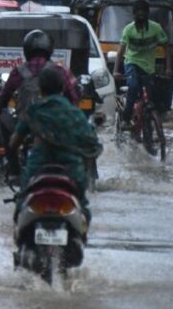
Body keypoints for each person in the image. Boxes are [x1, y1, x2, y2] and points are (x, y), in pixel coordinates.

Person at [9, 66, 103, 226]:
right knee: (83, 208)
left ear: (40, 88)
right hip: (72, 169)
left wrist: (15, 170)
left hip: (38, 168)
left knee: (21, 204)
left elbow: (13, 143)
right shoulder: (75, 114)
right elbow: (92, 146)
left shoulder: (34, 111)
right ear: (62, 88)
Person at [0, 29, 80, 177]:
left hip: (26, 123)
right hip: (56, 124)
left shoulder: (19, 71)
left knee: (3, 119)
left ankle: (13, 168)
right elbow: (74, 97)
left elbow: (5, 95)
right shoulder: (61, 70)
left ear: (26, 50)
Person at [113, 0, 171, 129]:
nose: (140, 16)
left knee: (152, 93)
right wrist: (116, 70)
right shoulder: (128, 30)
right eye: (138, 13)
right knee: (133, 87)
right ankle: (126, 119)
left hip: (149, 66)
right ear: (134, 15)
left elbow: (167, 47)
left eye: (143, 13)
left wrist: (168, 68)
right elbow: (120, 52)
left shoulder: (156, 28)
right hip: (131, 62)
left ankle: (151, 122)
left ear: (147, 14)